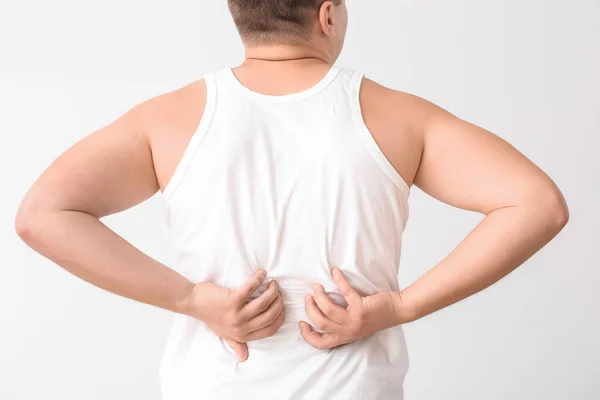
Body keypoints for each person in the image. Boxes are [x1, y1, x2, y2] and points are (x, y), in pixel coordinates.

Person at [14, 1, 569, 399]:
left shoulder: (167, 119)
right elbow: (537, 204)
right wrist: (400, 308)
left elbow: (43, 215)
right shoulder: (400, 117)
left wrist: (190, 299)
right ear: (328, 14)